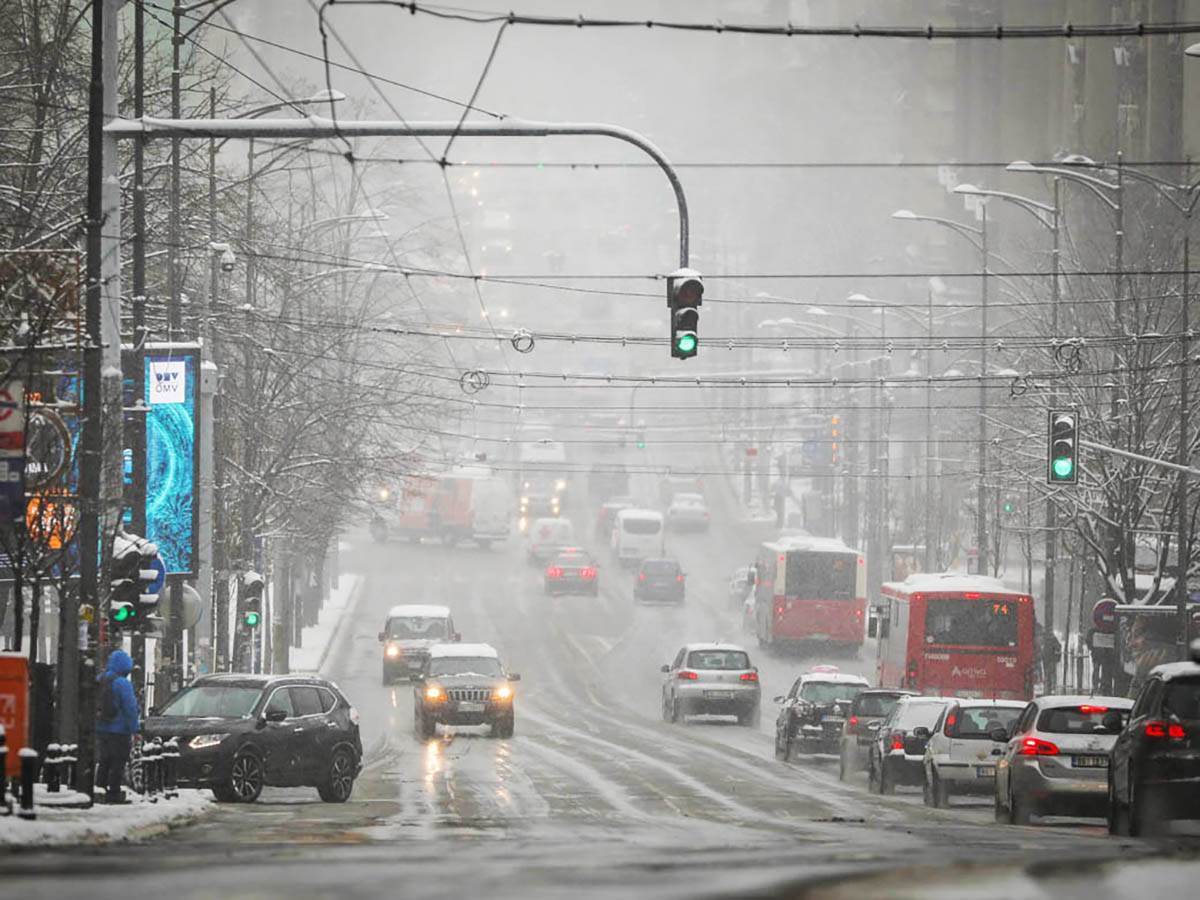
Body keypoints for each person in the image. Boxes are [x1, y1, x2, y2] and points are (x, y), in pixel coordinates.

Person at [96, 648, 140, 804]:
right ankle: (114, 792)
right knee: (118, 762)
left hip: (102, 728)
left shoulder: (100, 679)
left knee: (104, 761)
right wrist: (135, 729)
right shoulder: (123, 684)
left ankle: (99, 789)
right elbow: (130, 708)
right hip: (120, 730)